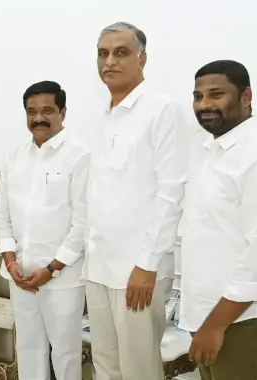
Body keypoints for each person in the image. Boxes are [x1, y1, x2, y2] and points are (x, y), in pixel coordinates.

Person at [181, 60, 257, 380]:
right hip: (207, 314)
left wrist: (216, 325)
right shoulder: (210, 152)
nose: (204, 104)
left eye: (216, 94)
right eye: (198, 96)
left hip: (245, 319)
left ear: (246, 97)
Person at [85, 22, 189, 380]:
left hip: (138, 270)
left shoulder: (162, 110)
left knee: (139, 371)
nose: (109, 61)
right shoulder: (105, 117)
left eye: (121, 52)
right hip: (98, 267)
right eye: (103, 53)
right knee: (105, 367)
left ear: (142, 59)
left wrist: (147, 264)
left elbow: (171, 192)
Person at [0, 81, 88, 380]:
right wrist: (11, 263)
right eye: (31, 111)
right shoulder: (14, 156)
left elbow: (83, 222)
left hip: (63, 277)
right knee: (28, 348)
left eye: (47, 110)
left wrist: (52, 269)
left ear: (63, 112)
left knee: (65, 353)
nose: (38, 118)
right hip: (20, 274)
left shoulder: (80, 156)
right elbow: (1, 215)